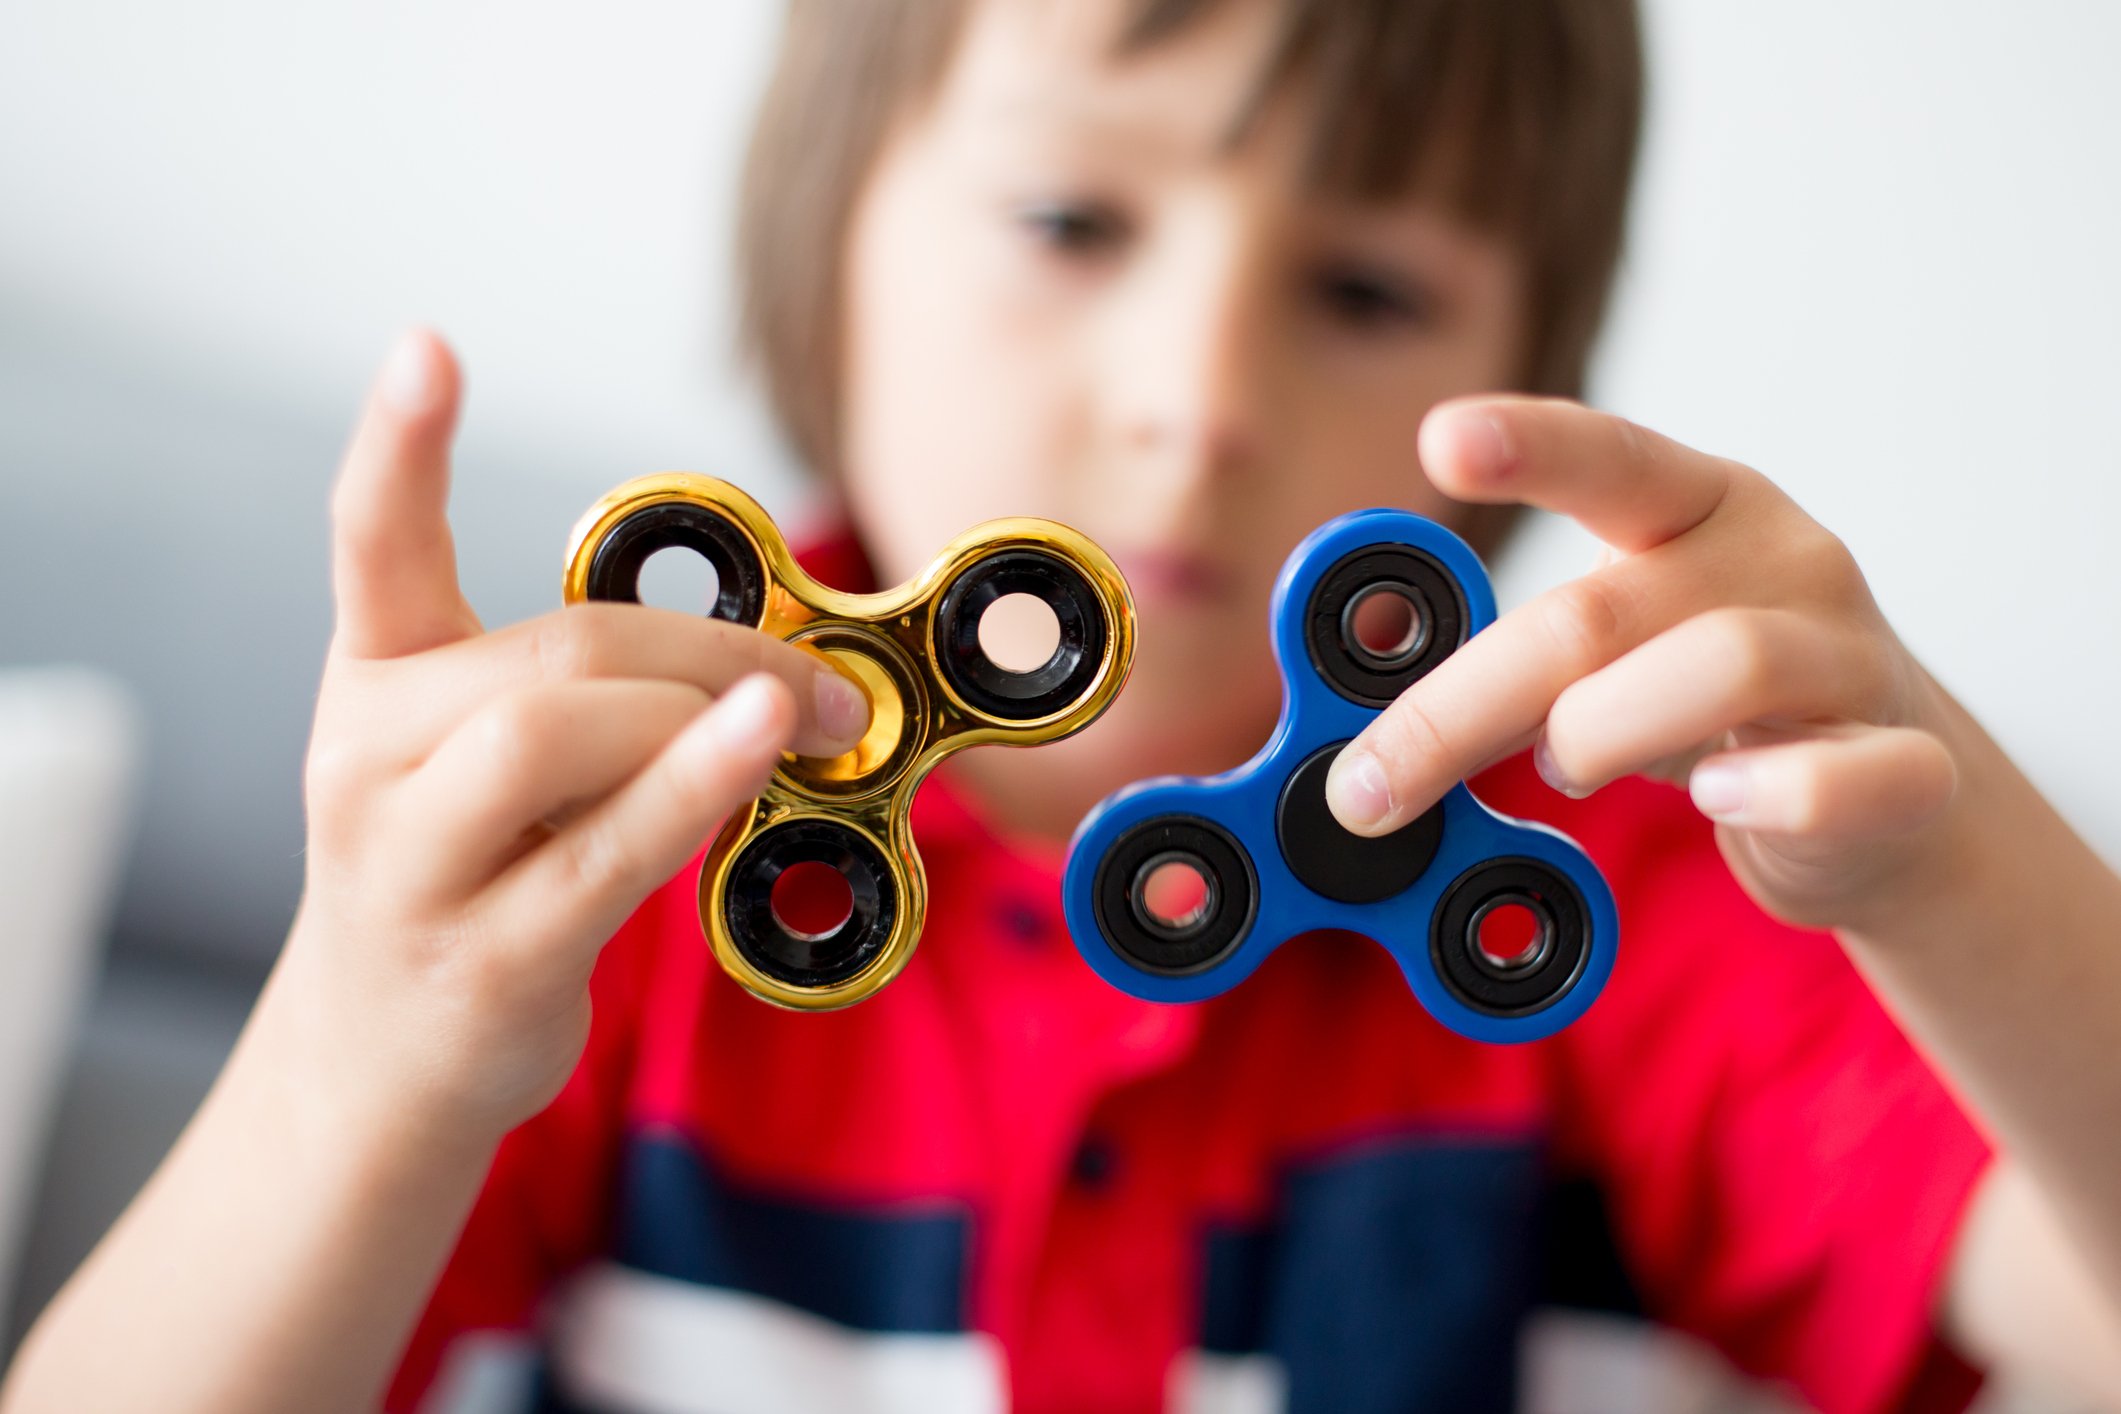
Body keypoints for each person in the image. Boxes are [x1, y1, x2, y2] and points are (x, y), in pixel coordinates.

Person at [8, 0, 2121, 1409]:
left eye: (1362, 287)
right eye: (1069, 217)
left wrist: (1952, 873)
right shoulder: (621, 864)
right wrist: (365, 1050)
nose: (1195, 399)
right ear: (824, 246)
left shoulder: (1628, 898)